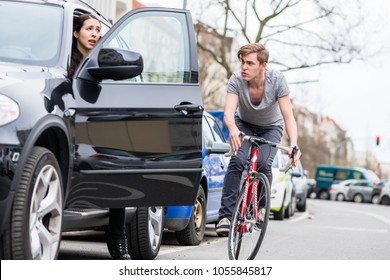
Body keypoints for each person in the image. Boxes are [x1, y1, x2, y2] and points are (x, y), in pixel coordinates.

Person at [215, 43, 302, 236]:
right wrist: (232, 129)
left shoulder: (277, 80)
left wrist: (294, 144)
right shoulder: (236, 80)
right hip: (243, 124)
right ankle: (225, 217)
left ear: (263, 66)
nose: (244, 67)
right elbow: (228, 113)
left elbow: (288, 117)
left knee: (263, 163)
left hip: (271, 127)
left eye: (250, 63)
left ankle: (262, 208)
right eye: (242, 62)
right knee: (237, 161)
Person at [70, 13, 131, 260]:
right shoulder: (65, 63)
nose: (95, 33)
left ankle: (118, 238)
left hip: (102, 128)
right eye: (89, 29)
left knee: (117, 170)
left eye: (98, 29)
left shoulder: (106, 63)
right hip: (71, 128)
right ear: (76, 33)